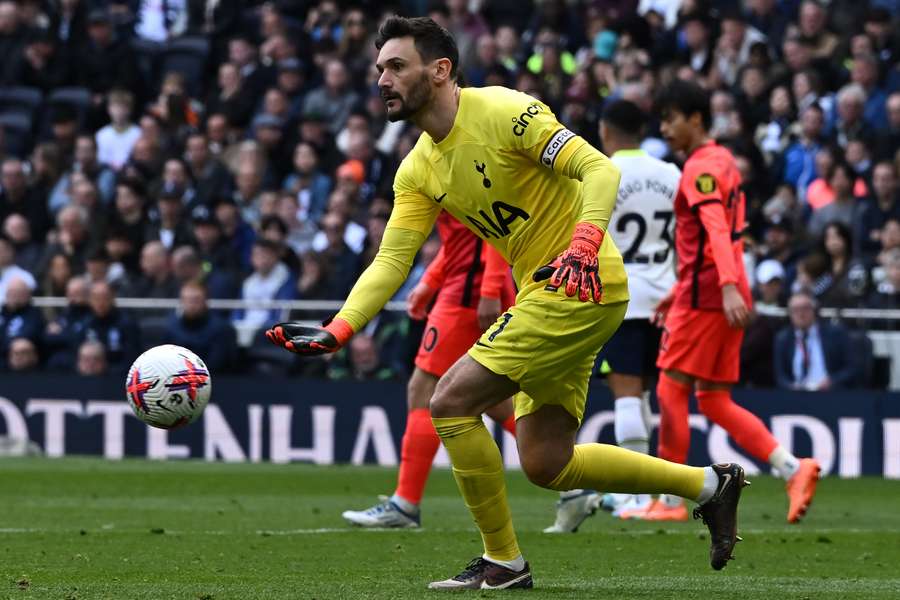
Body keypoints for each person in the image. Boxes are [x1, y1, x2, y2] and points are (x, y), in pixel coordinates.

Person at [268, 17, 750, 589]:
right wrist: (339, 330)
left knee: (448, 401)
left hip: (580, 281)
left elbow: (597, 169)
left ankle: (504, 561)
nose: (383, 80)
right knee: (548, 462)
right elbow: (391, 262)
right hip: (553, 292)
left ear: (440, 70)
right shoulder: (418, 168)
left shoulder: (504, 111)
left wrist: (586, 242)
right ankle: (708, 485)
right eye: (379, 69)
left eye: (396, 66)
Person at [649, 79, 820, 524]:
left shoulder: (702, 166)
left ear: (696, 119)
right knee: (713, 400)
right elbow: (717, 235)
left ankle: (668, 501)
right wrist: (682, 290)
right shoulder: (723, 161)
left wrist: (723, 286)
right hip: (716, 290)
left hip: (710, 296)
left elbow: (715, 230)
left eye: (670, 119)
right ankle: (792, 466)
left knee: (670, 388)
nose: (665, 128)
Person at [544, 99, 681, 531]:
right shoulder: (671, 174)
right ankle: (650, 491)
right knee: (649, 395)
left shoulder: (598, 171)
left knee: (625, 393)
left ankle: (638, 493)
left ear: (605, 128)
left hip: (622, 293)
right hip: (665, 296)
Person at [342, 213, 517, 528]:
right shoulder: (450, 171)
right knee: (484, 395)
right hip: (464, 287)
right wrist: (429, 282)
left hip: (468, 294)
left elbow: (494, 232)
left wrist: (489, 291)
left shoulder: (461, 169)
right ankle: (569, 471)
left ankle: (405, 504)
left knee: (423, 388)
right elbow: (460, 241)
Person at [774, 292, 860, 390]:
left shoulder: (836, 334)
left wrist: (832, 381)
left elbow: (851, 369)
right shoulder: (783, 339)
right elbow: (781, 377)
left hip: (830, 394)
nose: (801, 314)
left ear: (814, 310)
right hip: (796, 397)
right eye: (795, 310)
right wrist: (792, 387)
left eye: (805, 308)